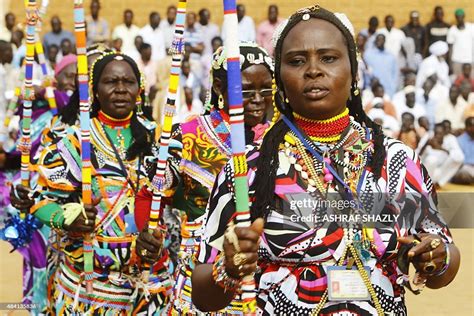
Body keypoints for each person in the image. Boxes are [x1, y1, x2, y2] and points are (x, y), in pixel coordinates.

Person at [191, 6, 460, 314]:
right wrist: (228, 268)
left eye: (329, 58)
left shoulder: (396, 160)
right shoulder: (250, 168)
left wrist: (435, 259)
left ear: (354, 71)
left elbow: (444, 257)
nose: (313, 70)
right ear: (280, 78)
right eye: (296, 61)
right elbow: (203, 295)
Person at [135, 43, 274, 313]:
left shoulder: (277, 139)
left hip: (260, 283)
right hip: (199, 279)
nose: (258, 98)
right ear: (220, 87)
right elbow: (150, 195)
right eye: (246, 90)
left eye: (266, 89)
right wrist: (150, 235)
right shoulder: (187, 136)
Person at [32, 52, 171, 314]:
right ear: (95, 90)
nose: (120, 89)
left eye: (128, 82)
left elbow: (174, 202)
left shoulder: (158, 138)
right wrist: (67, 218)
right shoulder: (76, 140)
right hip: (88, 287)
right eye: (111, 82)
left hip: (147, 284)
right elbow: (41, 201)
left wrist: (155, 237)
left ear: (139, 89)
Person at [418, 123, 464, 188]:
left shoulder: (450, 139)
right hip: (424, 173)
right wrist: (425, 145)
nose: (437, 135)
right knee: (432, 159)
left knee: (459, 158)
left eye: (440, 133)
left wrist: (441, 148)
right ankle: (426, 184)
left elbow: (459, 157)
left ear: (444, 134)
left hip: (439, 172)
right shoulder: (428, 137)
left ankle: (439, 183)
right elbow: (416, 156)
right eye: (436, 133)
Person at [447, 8, 474, 77]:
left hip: (470, 60)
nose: (459, 18)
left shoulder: (471, 28)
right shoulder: (452, 30)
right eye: (458, 17)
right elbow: (450, 48)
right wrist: (450, 64)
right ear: (456, 17)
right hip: (457, 60)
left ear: (464, 16)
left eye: (461, 16)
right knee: (458, 82)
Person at [452, 117, 474, 184]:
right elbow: (459, 162)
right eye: (472, 126)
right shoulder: (459, 141)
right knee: (463, 172)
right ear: (467, 127)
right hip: (464, 168)